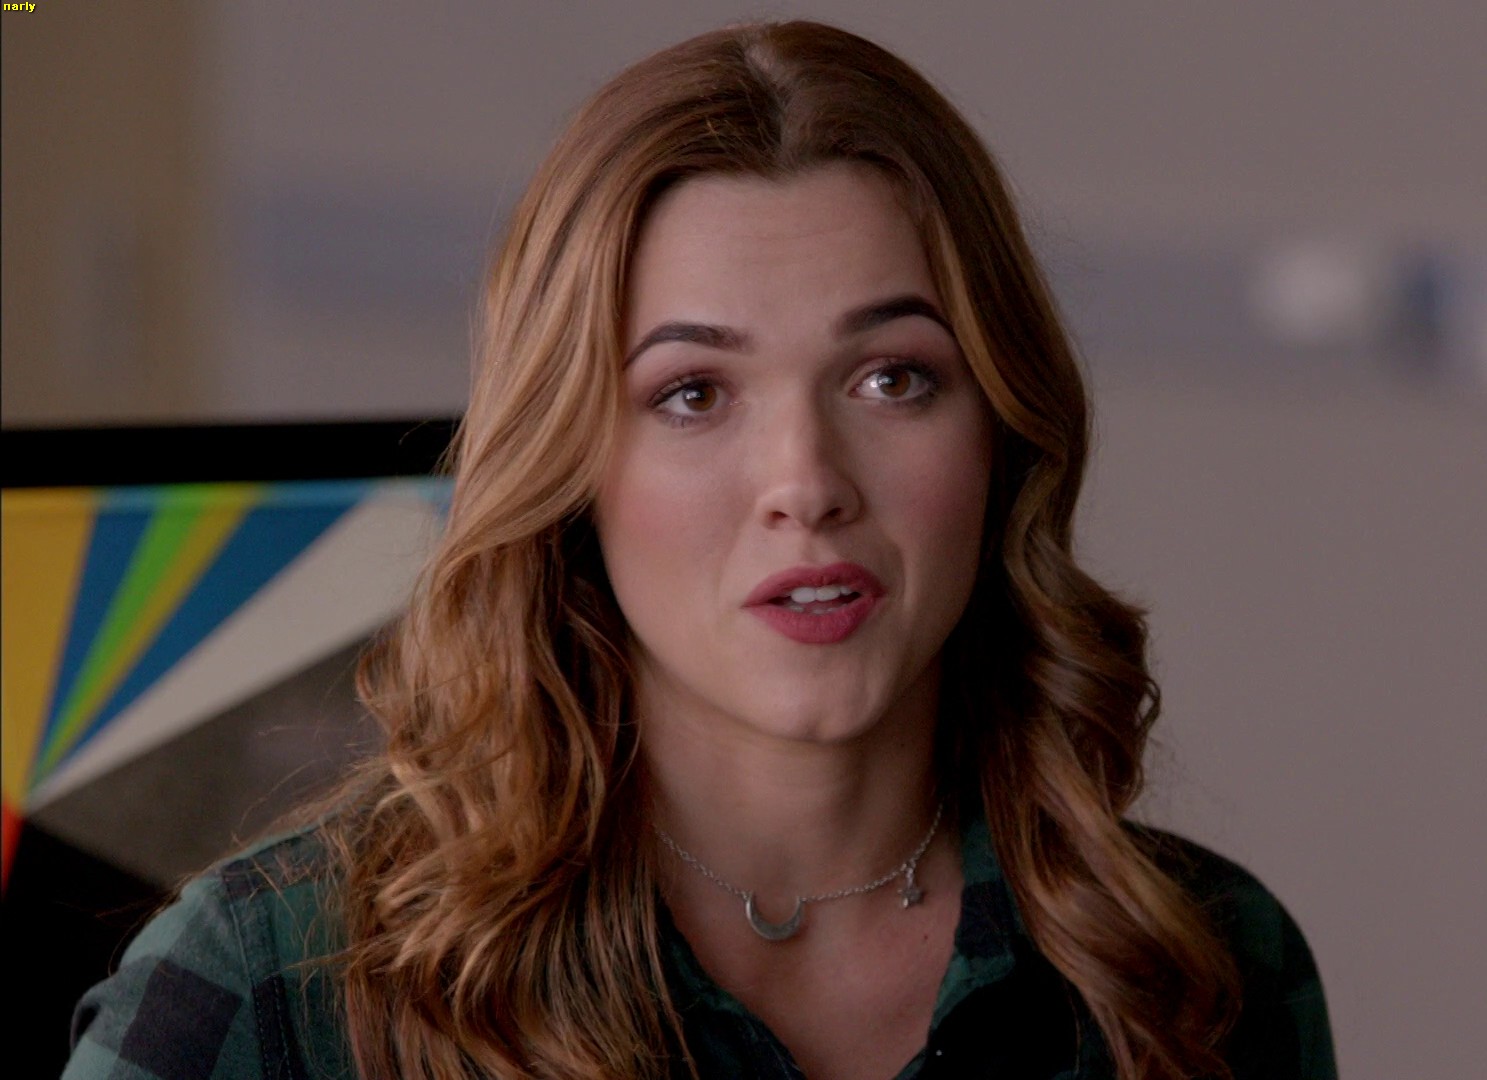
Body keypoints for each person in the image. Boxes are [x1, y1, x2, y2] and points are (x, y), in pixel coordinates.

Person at [64, 20, 1336, 1080]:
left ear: (1003, 430)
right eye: (691, 394)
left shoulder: (1199, 971)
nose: (807, 484)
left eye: (892, 378)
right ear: (571, 466)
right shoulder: (271, 995)